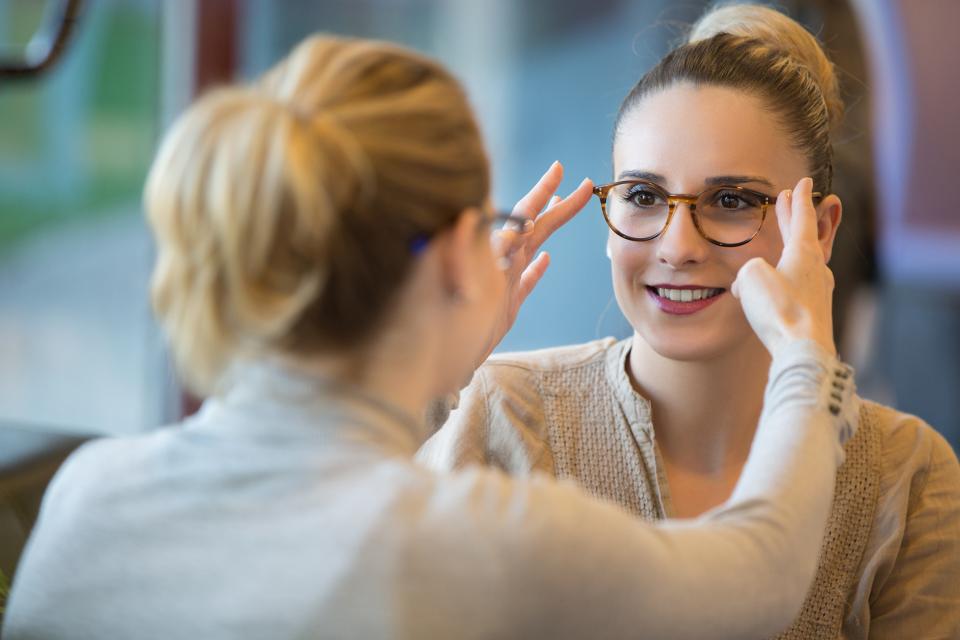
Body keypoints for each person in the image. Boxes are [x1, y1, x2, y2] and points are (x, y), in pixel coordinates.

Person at [4, 33, 857, 640]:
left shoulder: (89, 496)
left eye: (733, 201)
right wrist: (806, 353)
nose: (677, 240)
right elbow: (766, 573)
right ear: (457, 254)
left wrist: (437, 365)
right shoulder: (481, 545)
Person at [419, 4, 960, 639]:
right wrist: (427, 381)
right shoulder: (498, 415)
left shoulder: (907, 474)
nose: (677, 247)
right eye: (644, 197)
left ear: (819, 230)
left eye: (732, 201)